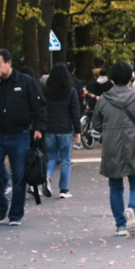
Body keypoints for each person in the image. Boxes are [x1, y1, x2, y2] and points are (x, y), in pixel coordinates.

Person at [0, 48, 47, 226]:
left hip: (20, 134)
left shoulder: (25, 81)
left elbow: (39, 105)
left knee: (19, 176)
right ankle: (2, 203)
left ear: (9, 63)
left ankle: (15, 215)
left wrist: (38, 127)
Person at [92, 62, 135, 237]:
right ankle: (132, 209)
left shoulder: (103, 100)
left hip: (112, 145)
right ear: (129, 77)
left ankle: (120, 225)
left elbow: (96, 124)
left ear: (111, 78)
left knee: (115, 186)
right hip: (134, 142)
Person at [43, 63, 81, 199]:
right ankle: (64, 190)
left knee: (52, 157)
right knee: (65, 159)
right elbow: (75, 112)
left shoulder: (46, 91)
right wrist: (78, 131)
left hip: (49, 128)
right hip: (65, 128)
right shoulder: (70, 91)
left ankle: (47, 176)